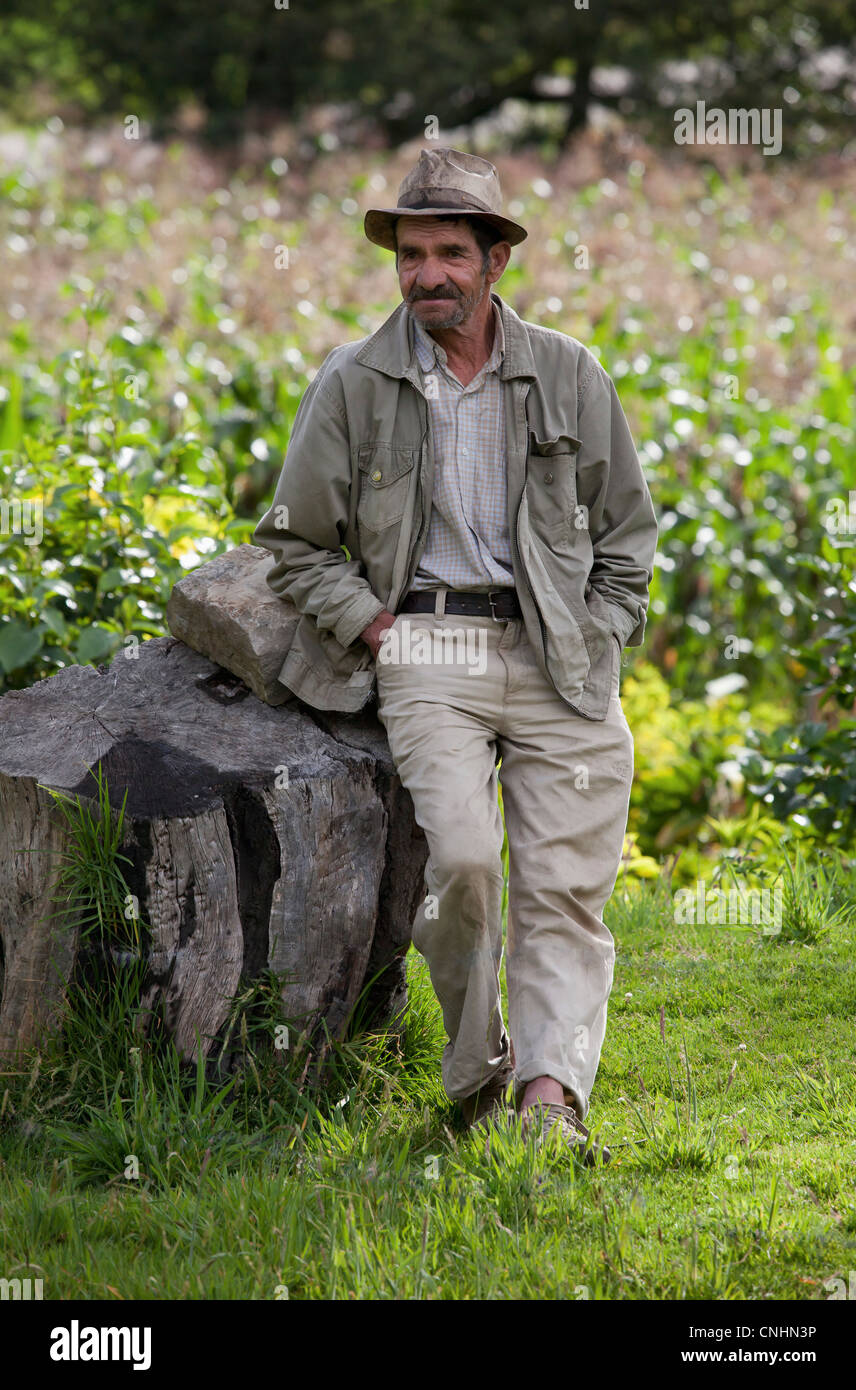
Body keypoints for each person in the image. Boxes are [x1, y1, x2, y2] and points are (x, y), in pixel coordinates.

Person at [253, 146, 658, 1163]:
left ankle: (550, 1094)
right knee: (466, 869)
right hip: (426, 643)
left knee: (563, 888)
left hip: (559, 650)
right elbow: (292, 542)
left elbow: (627, 532)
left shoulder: (565, 370)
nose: (425, 273)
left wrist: (601, 630)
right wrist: (378, 626)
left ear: (493, 263)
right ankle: (478, 1068)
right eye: (408, 254)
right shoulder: (353, 380)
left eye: (447, 253)